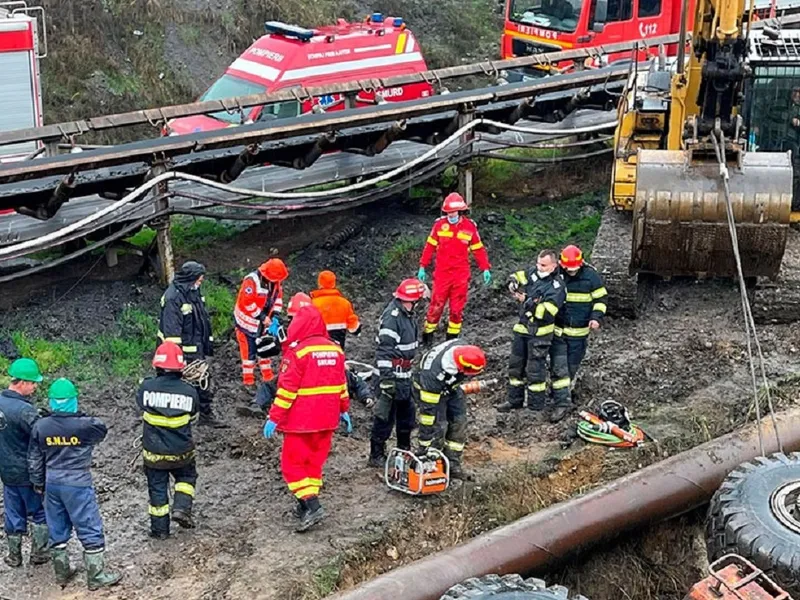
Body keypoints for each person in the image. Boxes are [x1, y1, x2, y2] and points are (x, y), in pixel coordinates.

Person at [262, 305, 351, 533]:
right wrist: (344, 409)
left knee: (292, 466)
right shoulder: (336, 350)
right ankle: (305, 505)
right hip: (328, 419)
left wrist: (273, 417)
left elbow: (286, 391)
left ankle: (312, 504)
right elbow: (342, 385)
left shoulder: (298, 352)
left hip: (302, 421)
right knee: (313, 464)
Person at [28, 378, 120, 590]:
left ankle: (62, 573)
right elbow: (101, 429)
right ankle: (96, 575)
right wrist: (77, 417)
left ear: (51, 402)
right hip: (78, 482)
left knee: (57, 526)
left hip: (52, 482)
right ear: (73, 401)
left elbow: (34, 459)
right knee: (88, 525)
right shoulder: (85, 425)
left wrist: (38, 483)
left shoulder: (41, 426)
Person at [136, 342, 200, 539]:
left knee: (157, 490)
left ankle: (160, 531)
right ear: (181, 367)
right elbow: (194, 414)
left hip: (154, 454)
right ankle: (181, 508)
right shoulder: (189, 391)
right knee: (187, 478)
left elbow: (140, 406)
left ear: (157, 365)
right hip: (182, 451)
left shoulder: (146, 388)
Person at [496, 249, 567, 417]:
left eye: (543, 265)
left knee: (535, 370)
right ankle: (515, 400)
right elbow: (521, 275)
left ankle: (535, 407)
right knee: (515, 367)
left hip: (540, 334)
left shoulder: (557, 287)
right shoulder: (534, 274)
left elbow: (547, 313)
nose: (539, 268)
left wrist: (526, 301)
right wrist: (513, 281)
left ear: (554, 265)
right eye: (538, 263)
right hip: (522, 328)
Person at [418, 192, 491, 344]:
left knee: (457, 310)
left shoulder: (469, 227)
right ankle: (427, 337)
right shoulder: (439, 225)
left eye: (453, 212)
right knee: (436, 306)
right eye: (448, 212)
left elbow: (478, 249)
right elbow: (429, 247)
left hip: (460, 275)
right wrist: (422, 266)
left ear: (460, 211)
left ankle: (451, 340)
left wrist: (485, 268)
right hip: (442, 274)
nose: (451, 215)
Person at [368, 278, 426, 468]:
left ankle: (404, 449)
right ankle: (376, 455)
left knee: (407, 416)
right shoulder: (393, 318)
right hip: (391, 376)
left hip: (405, 376)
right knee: (384, 417)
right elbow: (384, 351)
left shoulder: (407, 315)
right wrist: (386, 380)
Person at [158, 261, 221, 427]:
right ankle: (180, 418)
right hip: (184, 352)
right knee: (183, 385)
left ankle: (205, 415)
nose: (201, 282)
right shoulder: (173, 298)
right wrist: (179, 359)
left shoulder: (192, 291)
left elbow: (200, 319)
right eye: (199, 279)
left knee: (202, 381)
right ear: (190, 278)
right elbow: (172, 333)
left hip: (197, 348)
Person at [549, 244, 607, 422]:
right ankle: (561, 397)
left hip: (579, 333)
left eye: (575, 269)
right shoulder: (556, 274)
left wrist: (596, 317)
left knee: (571, 365)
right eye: (569, 269)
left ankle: (563, 394)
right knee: (558, 365)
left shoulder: (591, 277)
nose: (571, 272)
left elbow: (601, 299)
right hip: (558, 331)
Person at [0, 357, 49, 568]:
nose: (36, 387)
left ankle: (14, 556)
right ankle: (39, 554)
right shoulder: (24, 411)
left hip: (6, 471)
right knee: (39, 512)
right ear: (22, 383)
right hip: (27, 472)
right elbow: (41, 436)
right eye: (33, 383)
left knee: (13, 513)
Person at [414, 341, 486, 480]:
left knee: (459, 422)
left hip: (452, 387)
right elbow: (428, 414)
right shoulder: (432, 375)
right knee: (439, 425)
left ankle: (452, 465)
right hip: (429, 388)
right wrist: (425, 442)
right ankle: (431, 463)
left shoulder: (463, 350)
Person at [234, 258, 288, 388]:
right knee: (249, 351)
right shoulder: (251, 281)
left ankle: (268, 376)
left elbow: (278, 299)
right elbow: (247, 303)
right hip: (246, 322)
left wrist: (275, 315)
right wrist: (262, 317)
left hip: (263, 322)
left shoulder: (275, 282)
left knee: (265, 346)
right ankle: (248, 380)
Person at [310, 270, 361, 350]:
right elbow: (355, 329)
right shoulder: (345, 303)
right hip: (338, 351)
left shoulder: (312, 304)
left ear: (320, 284)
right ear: (334, 283)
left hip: (318, 351)